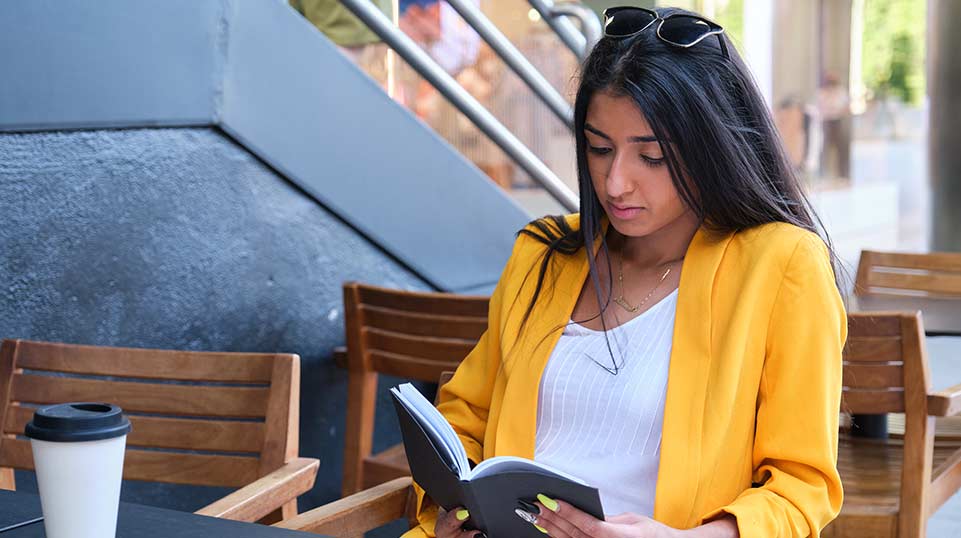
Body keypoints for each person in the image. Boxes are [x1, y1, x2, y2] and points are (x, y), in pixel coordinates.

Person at [403, 7, 846, 538]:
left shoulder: (781, 266)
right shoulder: (544, 253)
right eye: (599, 149)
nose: (615, 184)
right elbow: (466, 417)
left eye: (652, 157)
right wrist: (453, 510)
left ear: (714, 149)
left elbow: (801, 487)